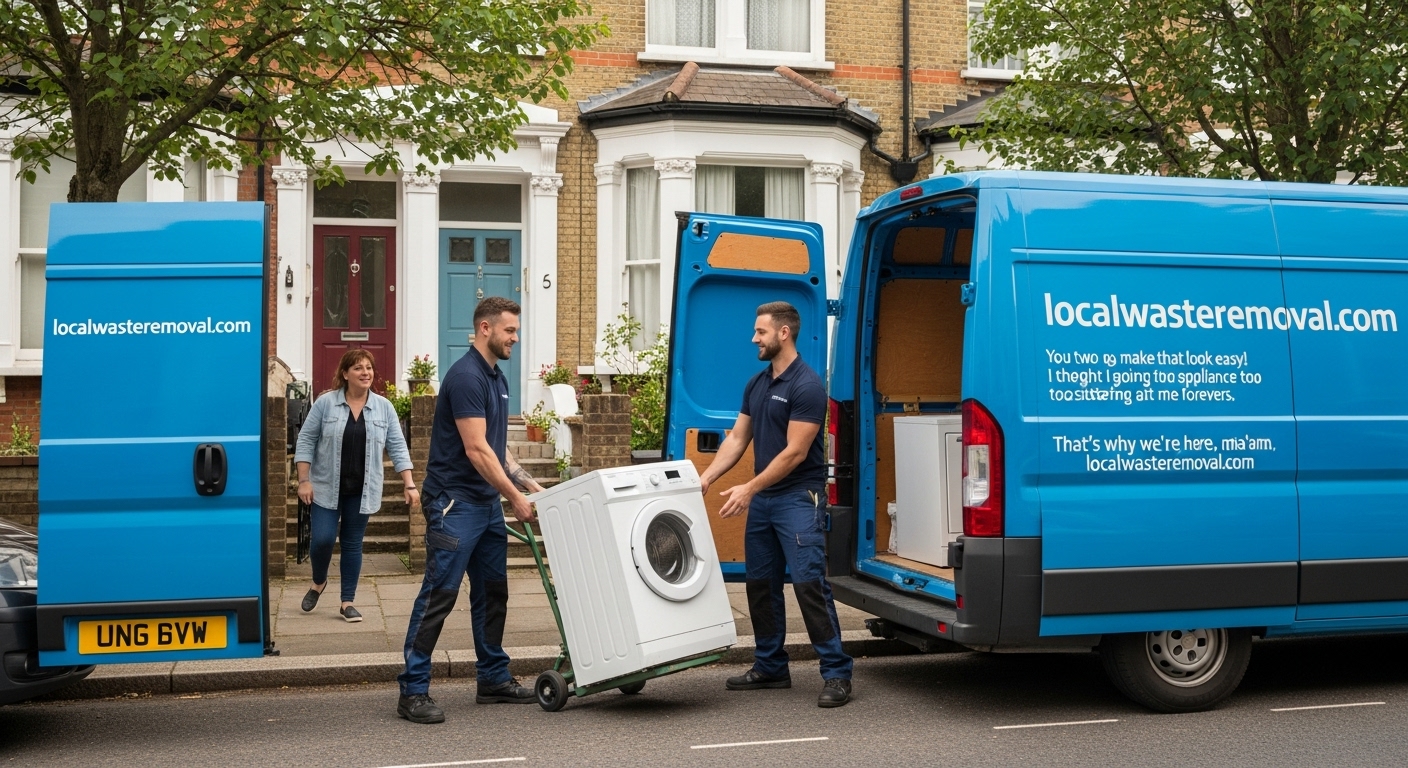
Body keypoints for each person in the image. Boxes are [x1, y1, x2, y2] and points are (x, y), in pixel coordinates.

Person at [397, 296, 545, 724]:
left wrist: (533, 487)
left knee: (493, 592)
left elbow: (499, 450)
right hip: (454, 504)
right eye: (510, 331)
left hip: (484, 505)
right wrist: (515, 499)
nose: (515, 338)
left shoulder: (496, 377)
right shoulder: (465, 376)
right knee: (439, 595)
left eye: (516, 330)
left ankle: (493, 678)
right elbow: (477, 449)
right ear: (485, 328)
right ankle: (413, 689)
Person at [699, 301, 854, 708]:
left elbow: (795, 454)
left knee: (808, 585)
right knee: (761, 585)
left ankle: (837, 672)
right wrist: (707, 477)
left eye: (760, 331)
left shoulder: (807, 386)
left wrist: (747, 489)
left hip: (798, 499)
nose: (754, 338)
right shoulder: (757, 383)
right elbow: (736, 438)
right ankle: (770, 665)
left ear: (783, 333)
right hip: (765, 500)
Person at [295, 349, 418, 623]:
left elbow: (398, 446)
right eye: (359, 368)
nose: (366, 373)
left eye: (369, 368)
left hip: (362, 491)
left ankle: (347, 601)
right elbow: (305, 441)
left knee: (352, 544)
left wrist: (409, 484)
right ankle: (318, 582)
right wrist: (304, 480)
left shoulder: (383, 408)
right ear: (345, 374)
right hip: (326, 487)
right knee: (322, 540)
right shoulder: (326, 403)